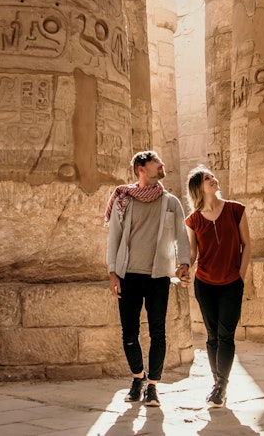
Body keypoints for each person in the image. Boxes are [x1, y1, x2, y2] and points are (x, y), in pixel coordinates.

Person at [105, 151, 191, 407]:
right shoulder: (124, 199)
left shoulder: (171, 202)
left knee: (158, 333)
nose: (162, 164)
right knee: (129, 334)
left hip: (158, 278)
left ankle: (152, 385)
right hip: (127, 275)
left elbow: (181, 237)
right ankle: (137, 377)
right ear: (141, 168)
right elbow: (114, 238)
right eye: (156, 162)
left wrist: (184, 263)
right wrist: (112, 273)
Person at [184, 166, 251, 408]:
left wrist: (240, 275)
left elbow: (247, 245)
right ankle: (218, 386)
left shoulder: (236, 209)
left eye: (212, 176)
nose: (213, 180)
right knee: (212, 337)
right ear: (198, 188)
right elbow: (192, 253)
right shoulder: (193, 220)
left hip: (231, 283)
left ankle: (220, 386)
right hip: (205, 284)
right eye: (207, 179)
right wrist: (183, 267)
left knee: (226, 336)